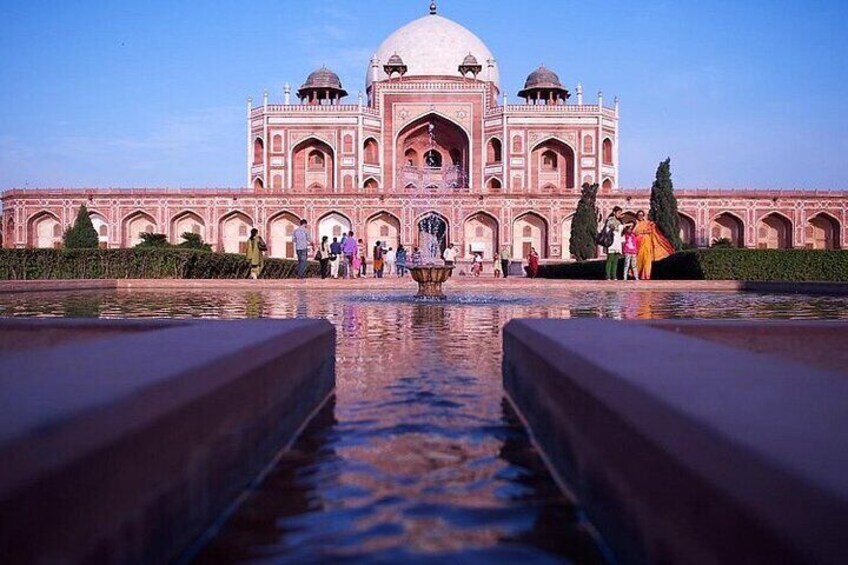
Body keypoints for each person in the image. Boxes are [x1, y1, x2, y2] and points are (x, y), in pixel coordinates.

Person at [633, 210, 674, 281]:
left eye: (642, 215)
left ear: (643, 216)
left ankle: (646, 275)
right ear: (637, 215)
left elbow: (651, 231)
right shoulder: (635, 223)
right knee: (638, 259)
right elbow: (634, 232)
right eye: (639, 215)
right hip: (638, 243)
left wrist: (651, 227)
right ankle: (637, 275)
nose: (640, 216)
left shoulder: (648, 223)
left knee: (646, 260)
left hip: (646, 243)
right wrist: (638, 226)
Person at [602, 207, 629, 280]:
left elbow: (621, 231)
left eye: (620, 213)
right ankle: (608, 276)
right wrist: (623, 225)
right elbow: (613, 227)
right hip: (612, 241)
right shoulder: (610, 220)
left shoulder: (619, 221)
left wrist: (622, 222)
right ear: (614, 212)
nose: (620, 214)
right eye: (618, 213)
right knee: (610, 259)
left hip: (617, 242)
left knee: (616, 260)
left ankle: (614, 275)